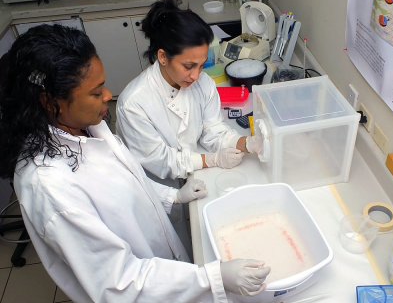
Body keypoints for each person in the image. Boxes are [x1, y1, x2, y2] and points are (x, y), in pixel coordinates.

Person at [0, 24, 270, 303]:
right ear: (49, 101)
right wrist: (213, 278)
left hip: (162, 264)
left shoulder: (87, 128)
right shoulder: (49, 186)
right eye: (95, 92)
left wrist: (172, 196)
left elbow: (127, 182)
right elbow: (120, 283)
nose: (107, 96)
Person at [116, 0, 263, 184]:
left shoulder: (204, 83)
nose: (196, 75)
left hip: (195, 175)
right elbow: (160, 160)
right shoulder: (133, 104)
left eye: (201, 65)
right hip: (159, 187)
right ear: (162, 57)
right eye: (188, 66)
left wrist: (247, 143)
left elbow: (213, 130)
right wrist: (212, 160)